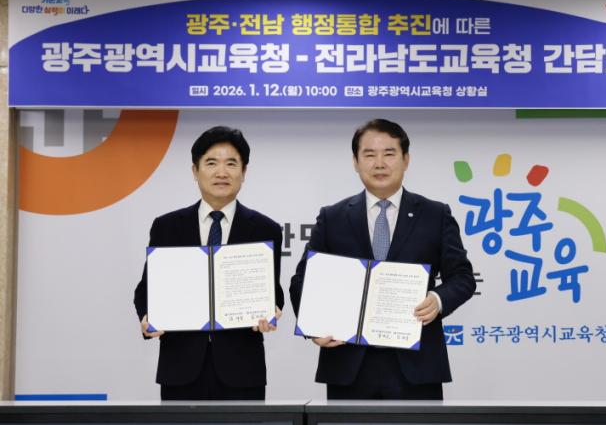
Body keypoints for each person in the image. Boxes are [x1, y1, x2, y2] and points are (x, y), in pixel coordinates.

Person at [289, 118, 475, 400]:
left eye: (389, 154)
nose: (379, 163)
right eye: (369, 155)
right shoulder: (333, 217)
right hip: (347, 364)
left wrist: (437, 300)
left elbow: (462, 277)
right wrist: (315, 327)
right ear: (355, 162)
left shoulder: (435, 215)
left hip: (417, 366)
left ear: (406, 159)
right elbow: (302, 280)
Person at [134, 126, 284, 400]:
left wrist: (271, 309)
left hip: (242, 371)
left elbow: (273, 290)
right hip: (180, 368)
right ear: (195, 171)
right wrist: (146, 317)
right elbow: (146, 289)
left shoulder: (265, 229)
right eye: (211, 163)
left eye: (231, 164)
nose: (221, 172)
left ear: (244, 172)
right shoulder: (167, 227)